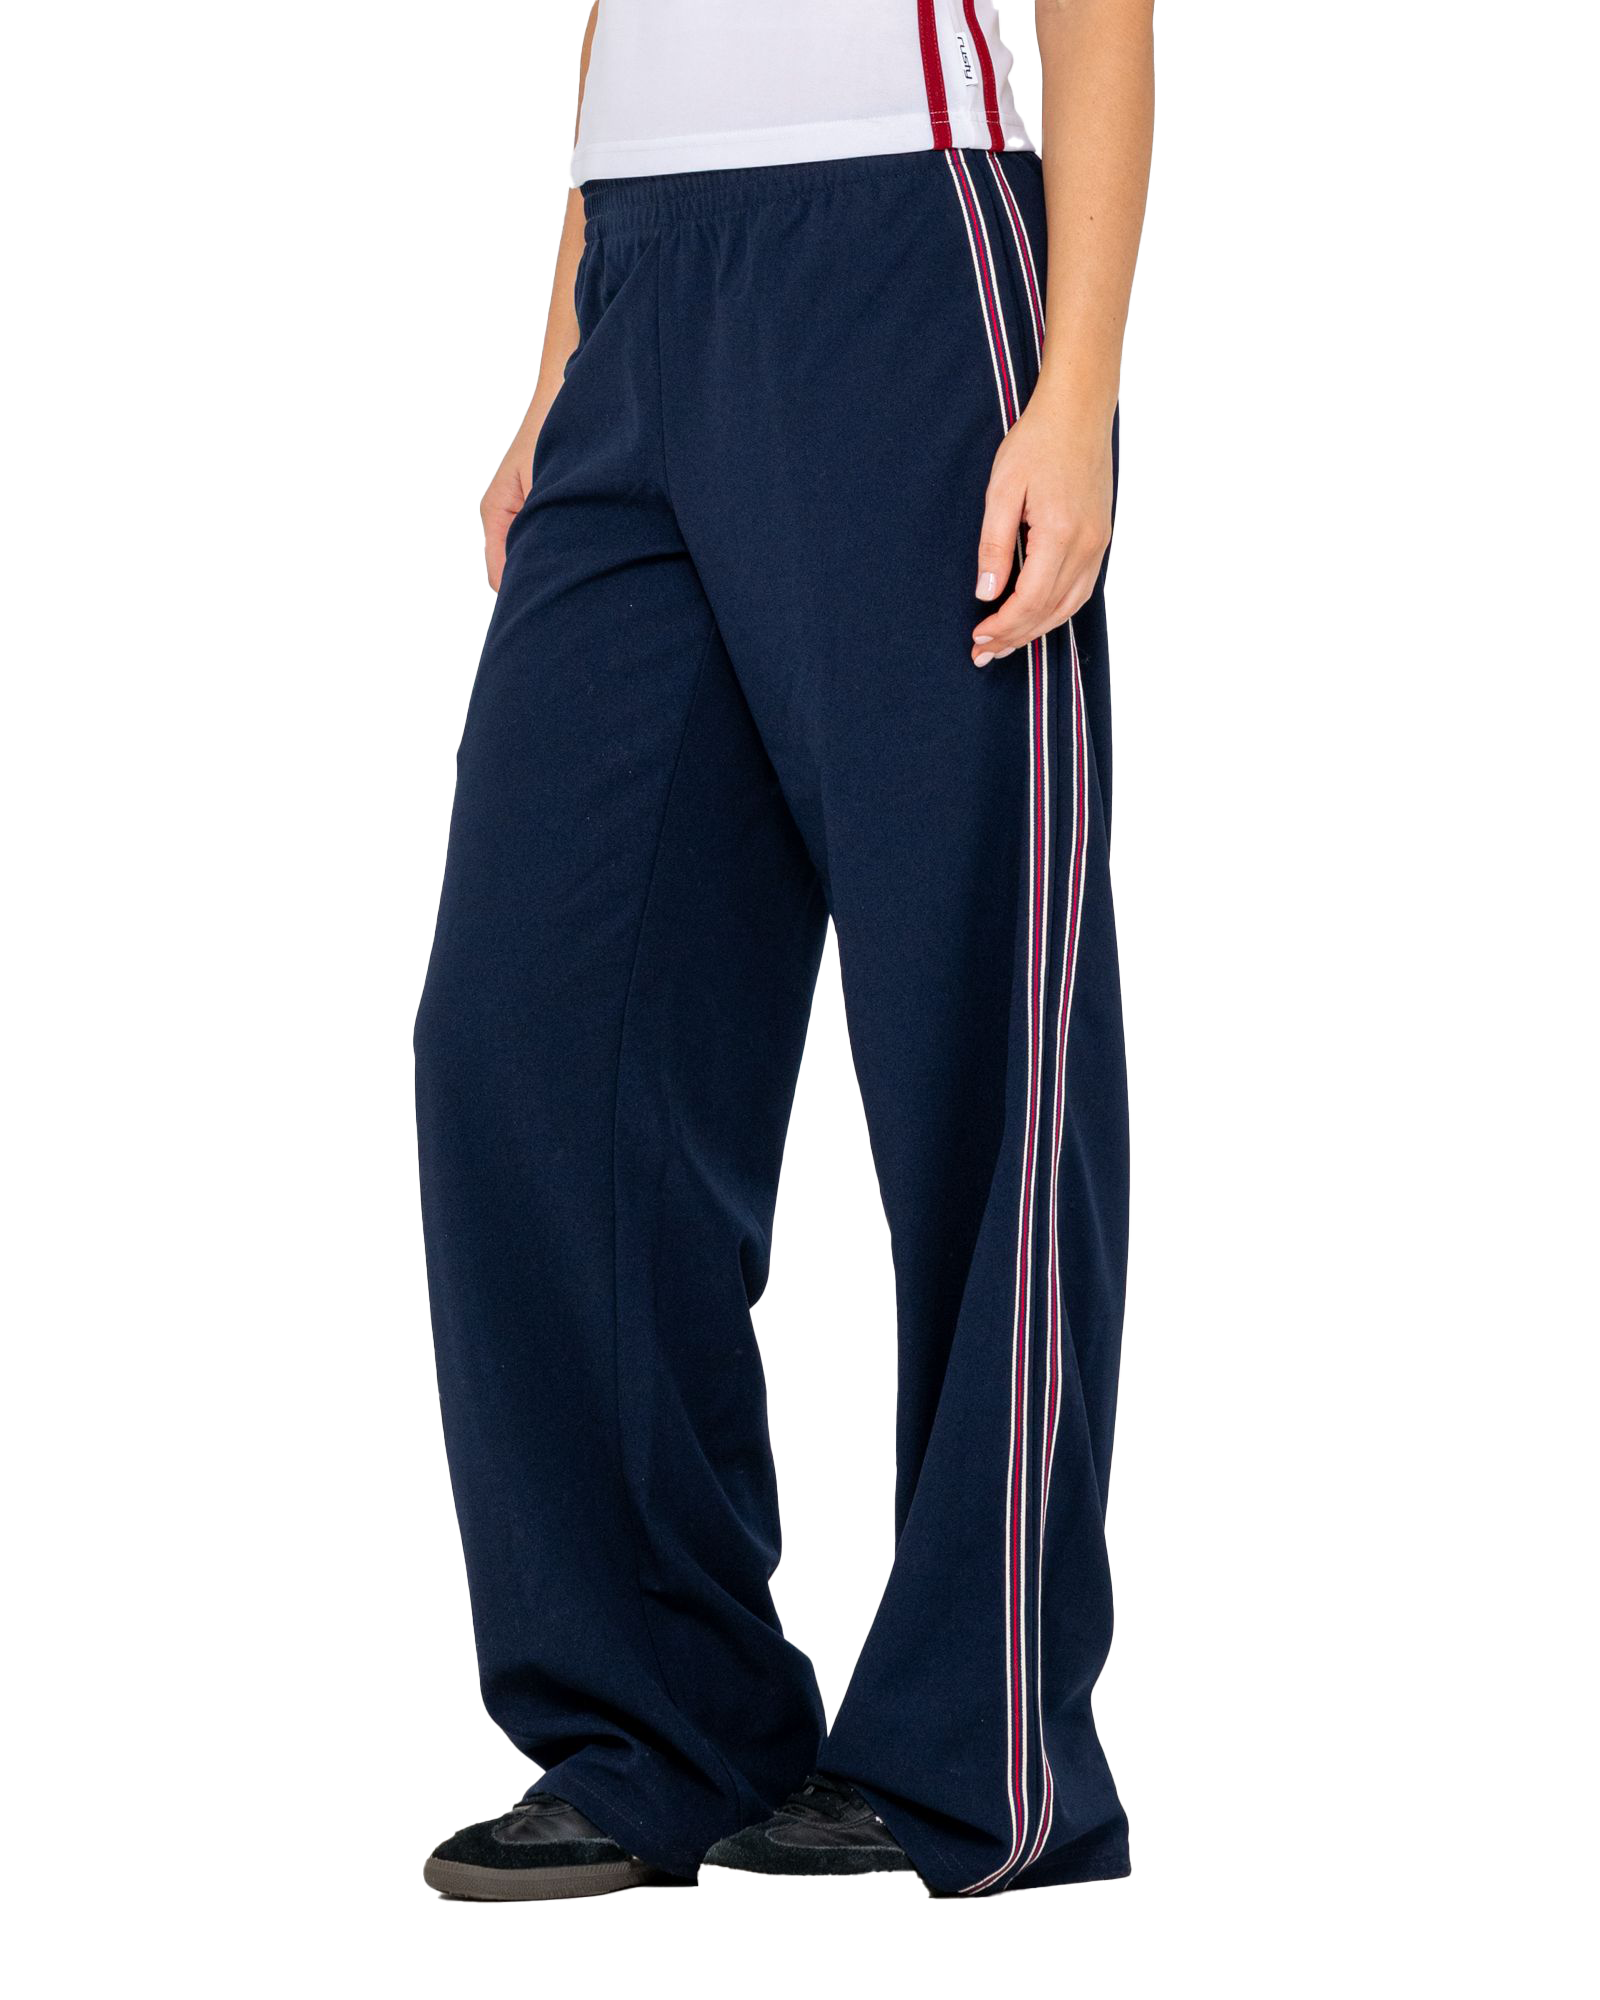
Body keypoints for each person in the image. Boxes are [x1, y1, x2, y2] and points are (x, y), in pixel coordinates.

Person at [416, 0, 1153, 1903]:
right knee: (528, 1028)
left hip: (908, 247)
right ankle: (658, 1723)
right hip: (640, 279)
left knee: (978, 1030)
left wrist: (1075, 393)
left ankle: (984, 1753)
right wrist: (566, 354)